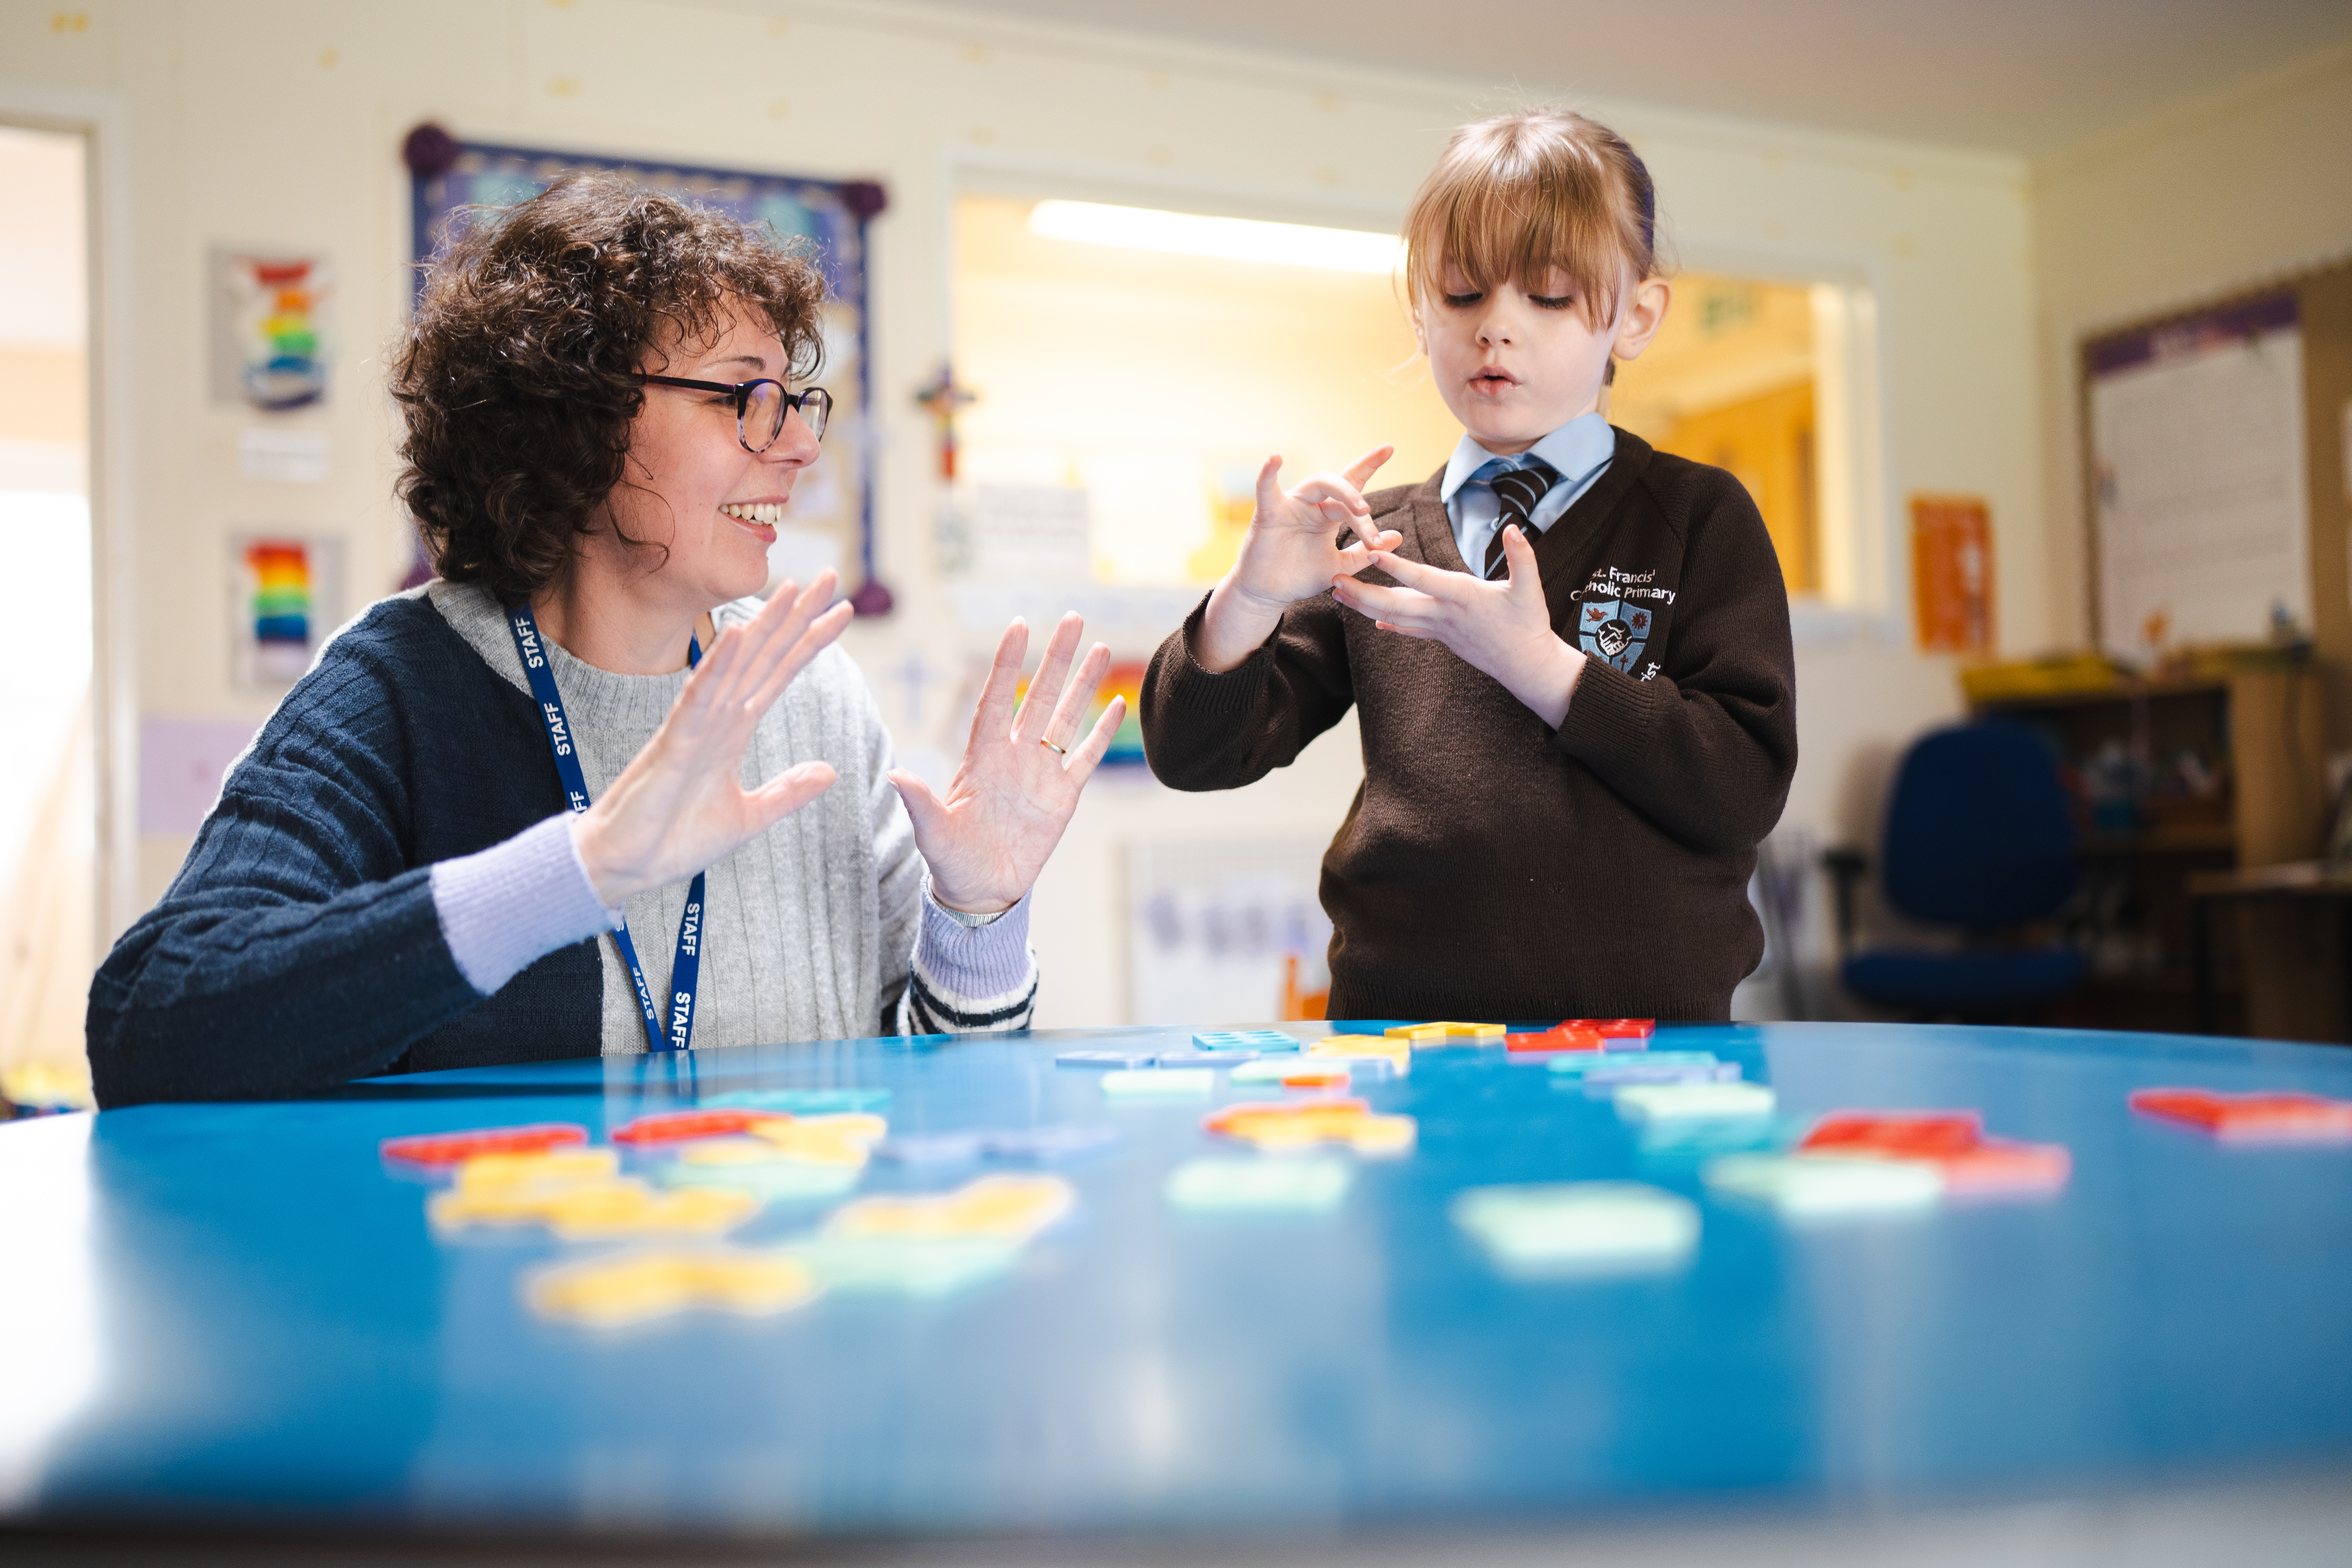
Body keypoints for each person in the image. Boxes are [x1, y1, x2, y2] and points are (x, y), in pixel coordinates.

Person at [88, 175, 1124, 1106]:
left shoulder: (813, 698)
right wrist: (580, 869)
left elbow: (934, 1099)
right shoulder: (404, 686)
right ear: (575, 415)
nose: (802, 443)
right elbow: (153, 1025)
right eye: (744, 398)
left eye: (797, 400)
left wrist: (977, 919)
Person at [1139, 108, 1797, 1022]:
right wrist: (1248, 599)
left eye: (1551, 297)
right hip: (1402, 1038)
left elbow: (1741, 786)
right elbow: (1195, 754)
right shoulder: (1377, 540)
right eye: (1461, 294)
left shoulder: (1698, 517)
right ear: (1421, 310)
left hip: (1648, 1045)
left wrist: (1548, 671)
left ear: (1636, 317)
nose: (1497, 328)